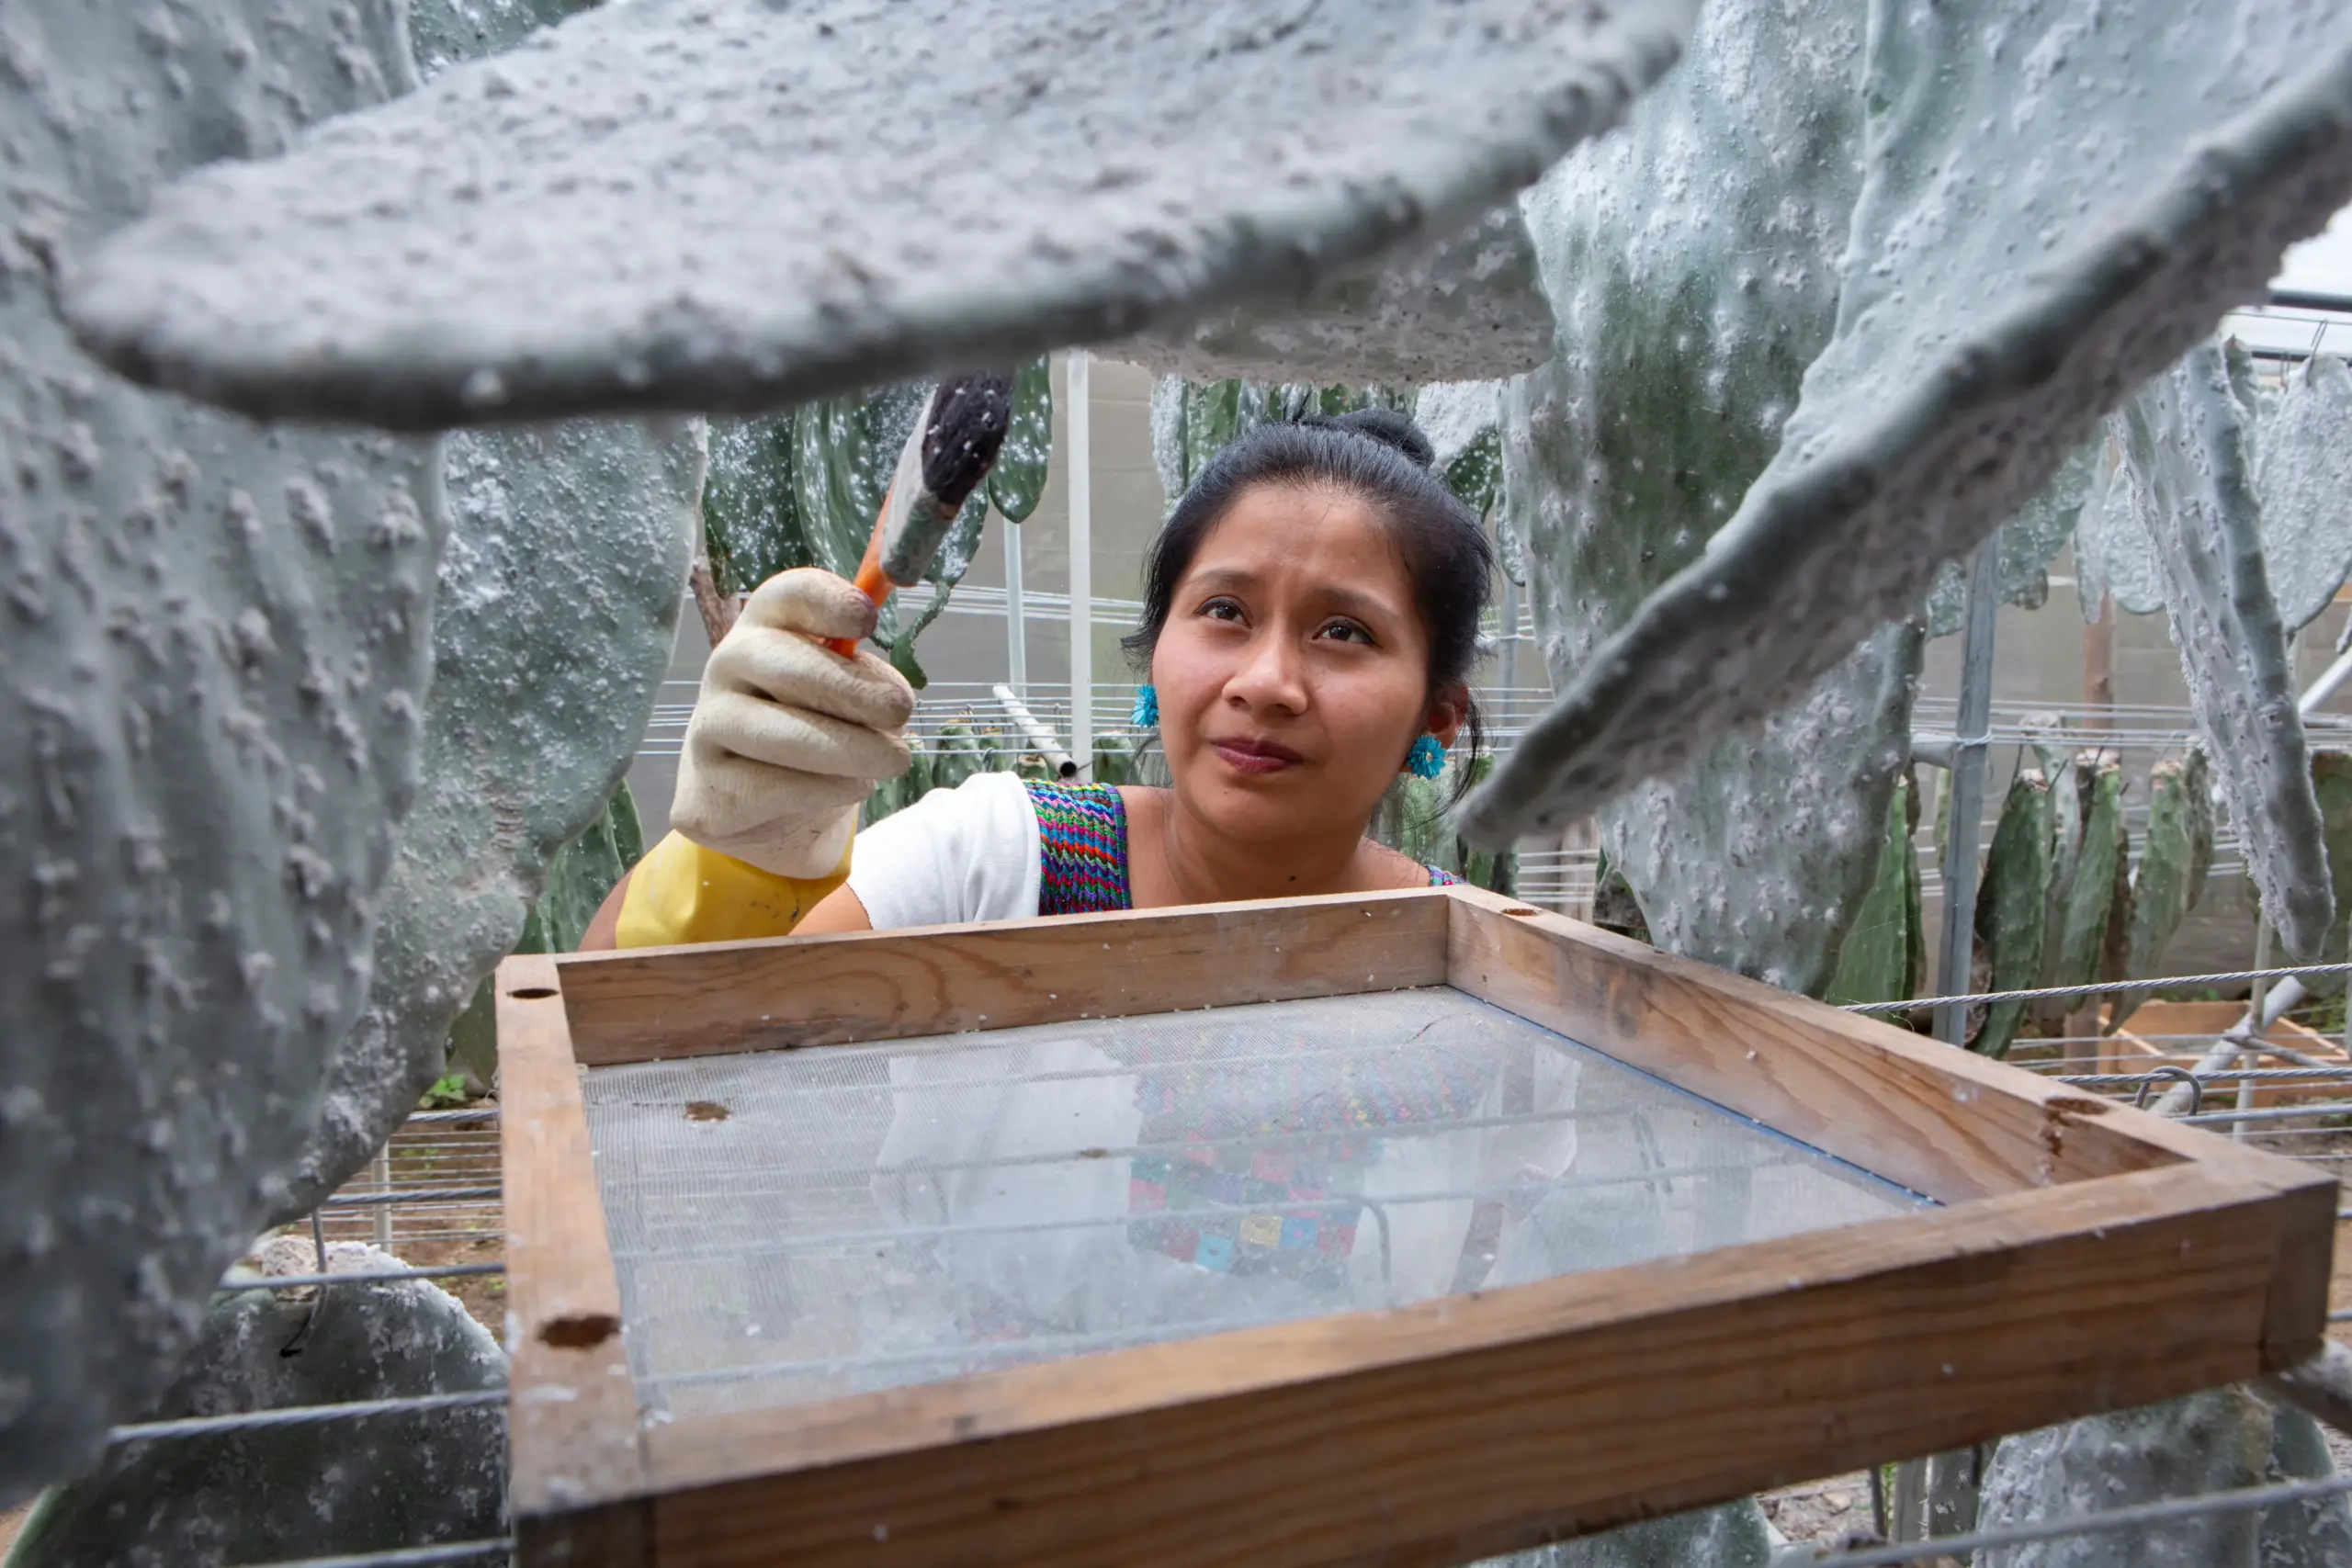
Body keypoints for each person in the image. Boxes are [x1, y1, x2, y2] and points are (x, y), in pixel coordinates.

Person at [582, 407, 1494, 947]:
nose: (1265, 681)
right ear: (1156, 648)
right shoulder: (998, 861)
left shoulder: (1491, 954)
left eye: (1343, 632)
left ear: (1438, 716)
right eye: (1224, 611)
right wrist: (734, 862)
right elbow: (617, 1058)